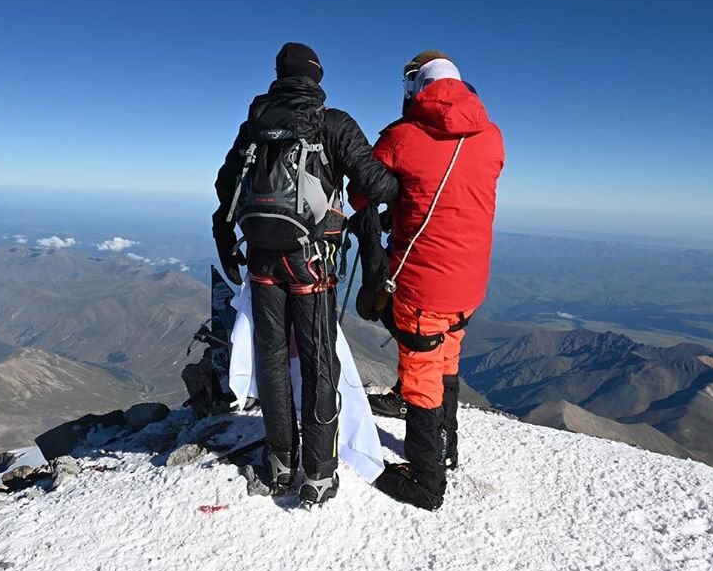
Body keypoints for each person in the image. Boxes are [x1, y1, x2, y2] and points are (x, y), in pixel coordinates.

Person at [213, 42, 399, 506]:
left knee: (271, 358)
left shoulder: (254, 125)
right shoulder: (331, 123)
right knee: (318, 363)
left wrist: (226, 238)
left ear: (279, 74)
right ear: (317, 78)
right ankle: (318, 472)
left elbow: (224, 185)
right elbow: (378, 184)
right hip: (310, 262)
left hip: (259, 257)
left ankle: (279, 461)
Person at [352, 50, 504, 510]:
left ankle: (426, 480)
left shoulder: (402, 136)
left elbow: (361, 192)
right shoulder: (493, 136)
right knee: (447, 361)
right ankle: (448, 451)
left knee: (420, 376)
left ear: (414, 86)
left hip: (423, 286)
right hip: (470, 284)